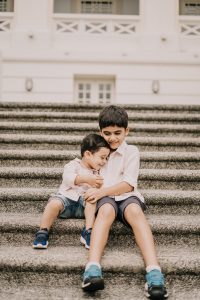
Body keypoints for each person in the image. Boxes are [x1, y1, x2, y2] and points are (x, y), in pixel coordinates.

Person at [82, 106, 168, 299]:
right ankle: (92, 268)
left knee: (136, 212)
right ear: (100, 131)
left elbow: (129, 185)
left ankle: (154, 272)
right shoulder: (98, 150)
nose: (112, 138)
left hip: (127, 195)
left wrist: (101, 191)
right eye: (107, 133)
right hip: (106, 199)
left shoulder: (131, 151)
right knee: (104, 212)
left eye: (118, 133)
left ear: (126, 131)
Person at [33, 133, 110, 250]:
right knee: (53, 203)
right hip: (66, 201)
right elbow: (68, 178)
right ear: (88, 154)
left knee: (92, 201)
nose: (104, 161)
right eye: (102, 157)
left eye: (106, 158)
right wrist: (87, 179)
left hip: (84, 206)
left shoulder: (99, 171)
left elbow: (104, 187)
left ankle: (88, 231)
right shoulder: (73, 164)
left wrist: (98, 187)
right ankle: (43, 231)